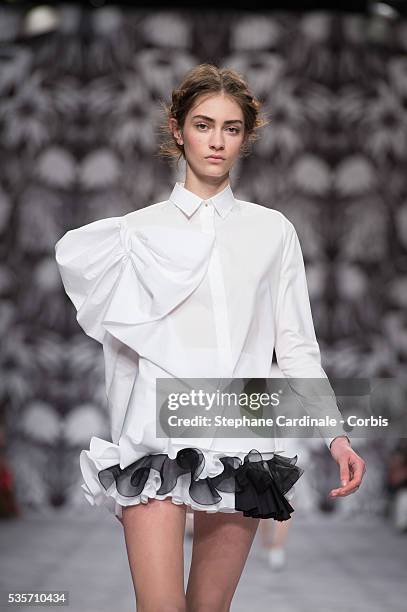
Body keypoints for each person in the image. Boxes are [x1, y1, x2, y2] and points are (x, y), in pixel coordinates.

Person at [54, 63, 366, 612]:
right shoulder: (135, 234)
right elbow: (121, 356)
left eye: (231, 127)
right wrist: (127, 434)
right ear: (177, 130)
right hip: (154, 441)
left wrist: (336, 436)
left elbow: (295, 346)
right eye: (203, 125)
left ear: (247, 136)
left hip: (239, 441)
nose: (216, 141)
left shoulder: (273, 232)